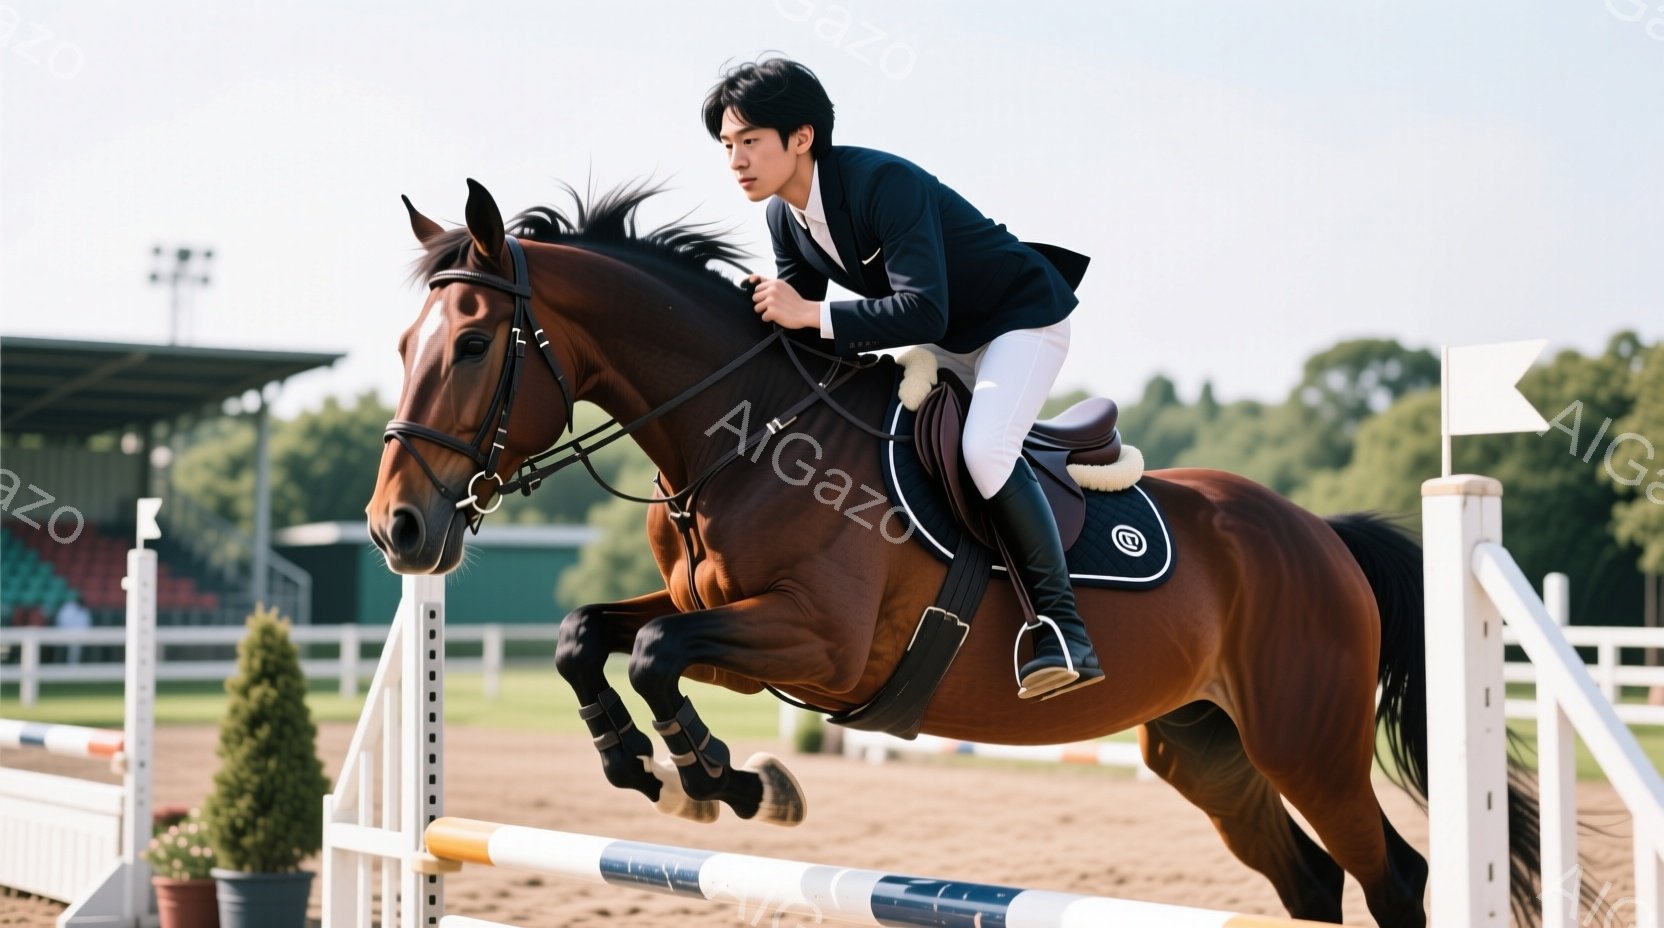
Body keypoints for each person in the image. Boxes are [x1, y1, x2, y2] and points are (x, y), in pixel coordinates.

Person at [702, 58, 1103, 699]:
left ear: (801, 138)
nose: (736, 162)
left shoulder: (882, 183)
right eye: (727, 146)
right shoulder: (785, 216)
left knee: (983, 448)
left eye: (749, 141)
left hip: (1020, 321)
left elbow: (923, 308)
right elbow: (804, 337)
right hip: (950, 342)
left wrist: (809, 311)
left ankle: (1062, 629)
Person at [54, 591, 92, 665]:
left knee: (76, 644)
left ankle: (73, 665)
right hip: (65, 633)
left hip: (81, 635)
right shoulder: (67, 608)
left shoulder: (84, 610)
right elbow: (62, 622)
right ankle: (69, 665)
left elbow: (86, 624)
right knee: (74, 643)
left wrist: (82, 633)